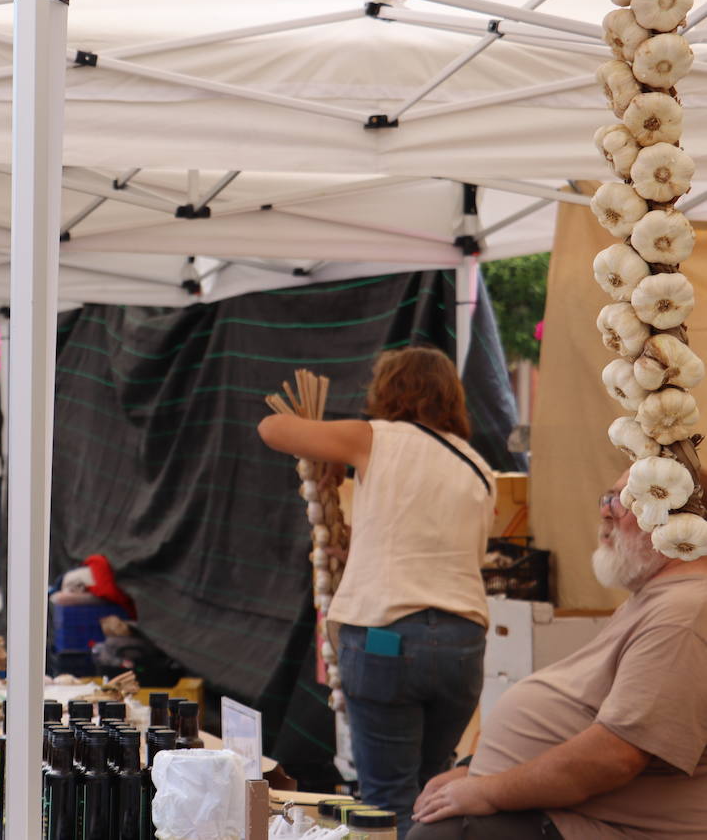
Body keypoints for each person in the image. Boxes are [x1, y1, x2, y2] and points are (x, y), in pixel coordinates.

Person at [258, 346, 495, 838]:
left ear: (388, 390)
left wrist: (336, 453)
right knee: (433, 794)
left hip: (388, 640)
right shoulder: (478, 466)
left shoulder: (375, 437)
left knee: (387, 799)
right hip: (462, 643)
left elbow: (272, 428)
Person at [410, 466, 707, 840]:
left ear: (675, 517)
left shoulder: (685, 612)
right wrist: (474, 770)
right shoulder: (656, 600)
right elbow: (586, 714)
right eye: (608, 497)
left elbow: (615, 756)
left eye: (625, 500)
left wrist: (488, 790)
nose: (606, 511)